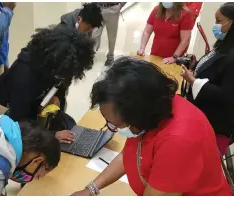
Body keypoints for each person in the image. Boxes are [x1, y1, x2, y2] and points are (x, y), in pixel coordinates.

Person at [72, 57, 232, 196]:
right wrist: (91, 189)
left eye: (116, 125)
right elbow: (130, 153)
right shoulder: (153, 109)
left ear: (139, 114)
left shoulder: (179, 141)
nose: (114, 128)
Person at [0, 25, 95, 143]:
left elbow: (60, 88)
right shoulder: (23, 77)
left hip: (34, 102)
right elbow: (20, 126)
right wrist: (52, 135)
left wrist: (57, 102)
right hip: (9, 107)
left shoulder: (59, 64)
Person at [181, 2, 234, 156]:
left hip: (215, 125)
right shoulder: (223, 45)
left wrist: (193, 81)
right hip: (200, 115)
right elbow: (215, 68)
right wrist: (196, 65)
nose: (215, 25)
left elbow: (228, 96)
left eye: (219, 21)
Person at [92, 2, 126, 66]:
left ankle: (110, 57)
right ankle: (91, 53)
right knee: (95, 33)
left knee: (111, 35)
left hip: (113, 8)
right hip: (99, 8)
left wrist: (121, 5)